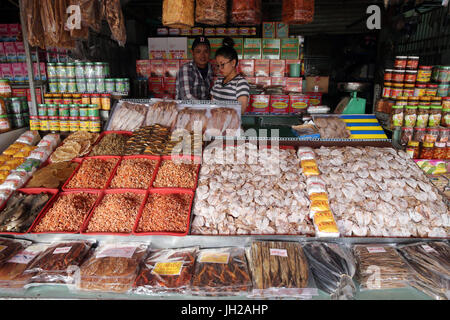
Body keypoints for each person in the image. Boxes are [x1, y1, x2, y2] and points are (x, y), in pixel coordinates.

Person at [210, 37, 250, 114]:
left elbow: (240, 110)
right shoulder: (218, 82)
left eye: (222, 64)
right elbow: (211, 105)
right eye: (218, 65)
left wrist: (219, 111)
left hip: (231, 125)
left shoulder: (241, 83)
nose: (220, 69)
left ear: (233, 63)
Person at [176, 36, 214, 100]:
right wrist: (204, 107)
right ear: (193, 53)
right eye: (198, 51)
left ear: (209, 53)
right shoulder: (186, 69)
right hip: (187, 108)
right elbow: (187, 97)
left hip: (204, 108)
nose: (202, 55)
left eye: (206, 51)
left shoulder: (210, 68)